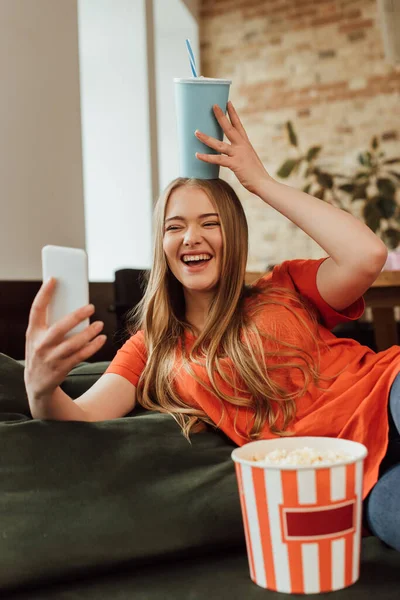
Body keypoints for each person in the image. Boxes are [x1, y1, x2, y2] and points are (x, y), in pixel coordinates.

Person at [24, 102, 400, 551]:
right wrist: (41, 389)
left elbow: (366, 256)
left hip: (389, 392)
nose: (191, 238)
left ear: (234, 236)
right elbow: (81, 415)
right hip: (349, 475)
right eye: (175, 227)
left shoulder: (284, 286)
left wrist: (260, 183)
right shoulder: (152, 348)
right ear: (161, 245)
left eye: (210, 223)